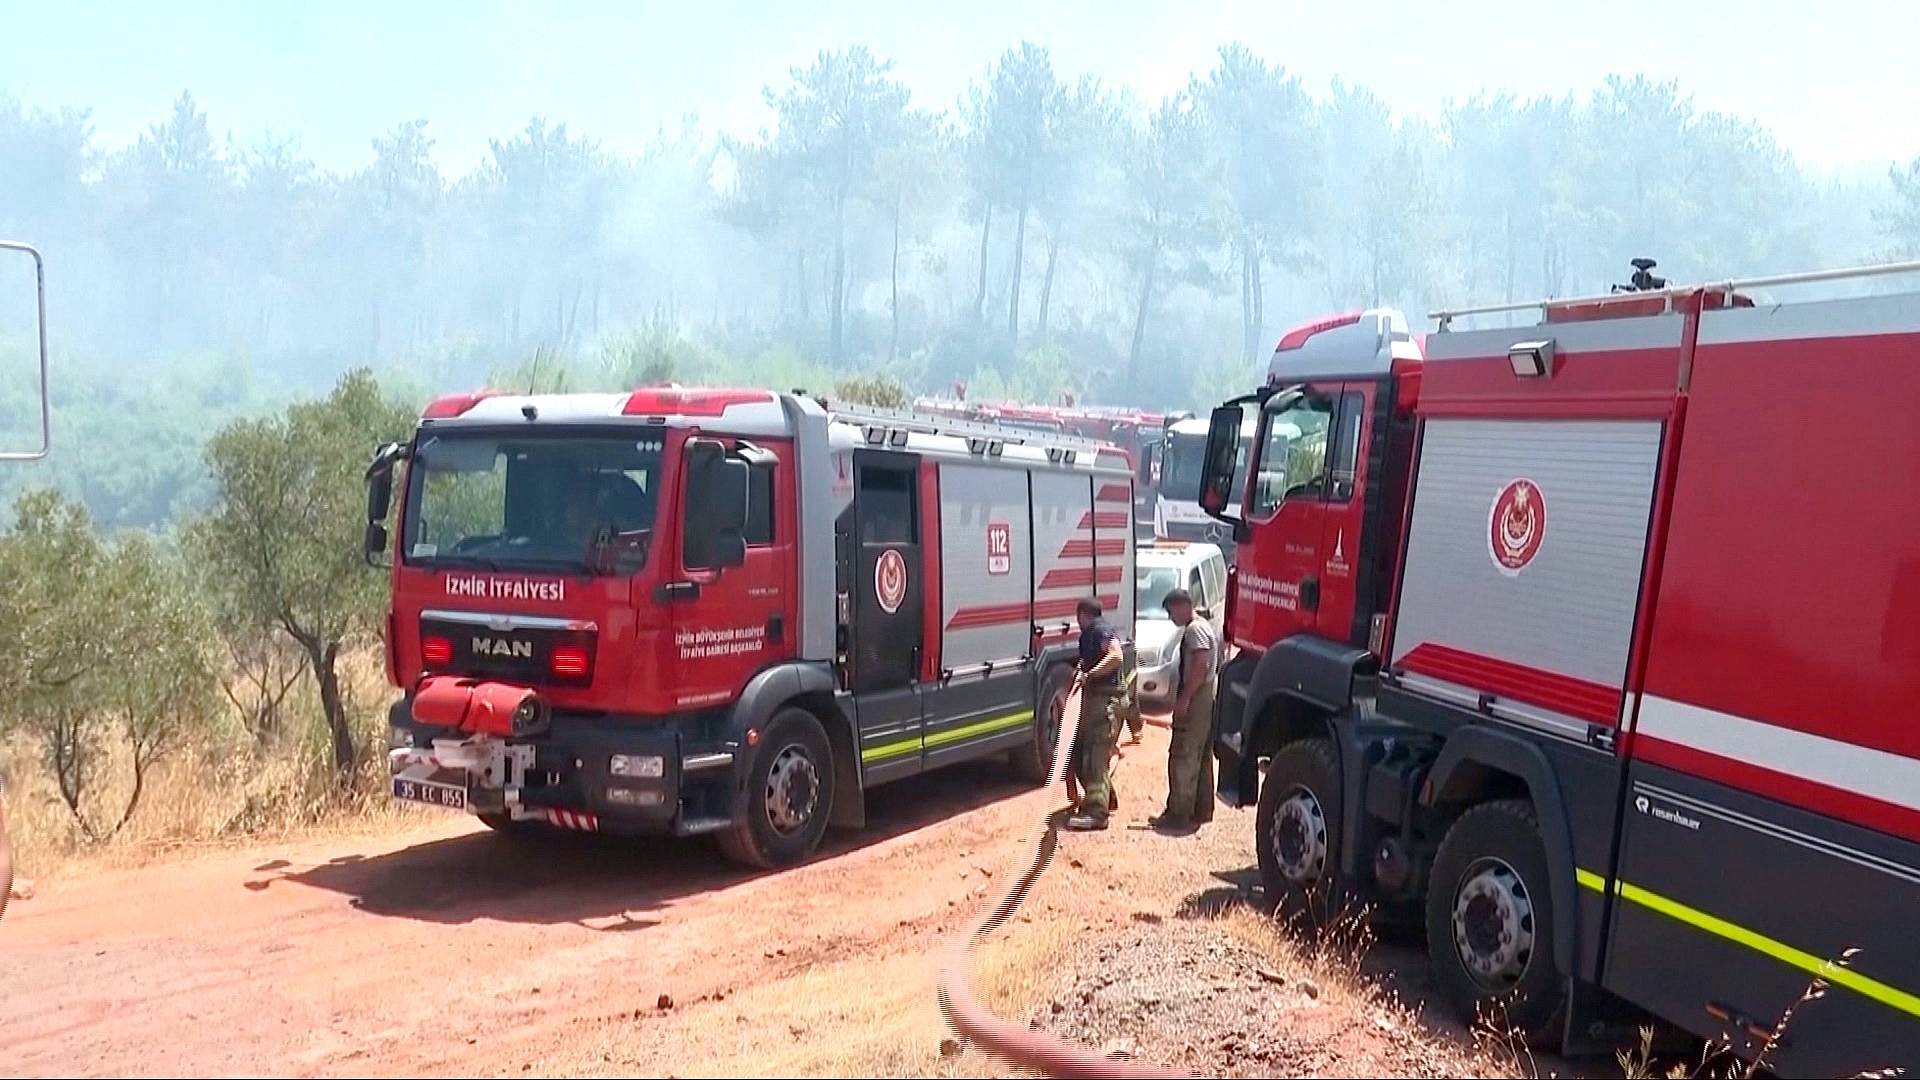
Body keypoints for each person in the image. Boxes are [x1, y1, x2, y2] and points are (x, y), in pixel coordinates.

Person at [1150, 588, 1217, 832]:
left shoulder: (1195, 630)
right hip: (1204, 697)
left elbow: (1201, 663)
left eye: (1171, 611)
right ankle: (1200, 809)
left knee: (1184, 755)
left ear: (1182, 605)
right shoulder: (1203, 626)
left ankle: (1179, 814)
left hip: (1197, 697)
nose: (1171, 617)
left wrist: (1185, 698)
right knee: (1200, 755)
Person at [1066, 597, 1125, 831]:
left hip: (1106, 700)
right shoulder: (1091, 633)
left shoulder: (1100, 630)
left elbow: (1116, 656)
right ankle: (1105, 798)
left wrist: (1089, 675)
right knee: (1082, 753)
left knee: (1096, 756)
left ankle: (1096, 813)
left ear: (1082, 614)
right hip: (1096, 701)